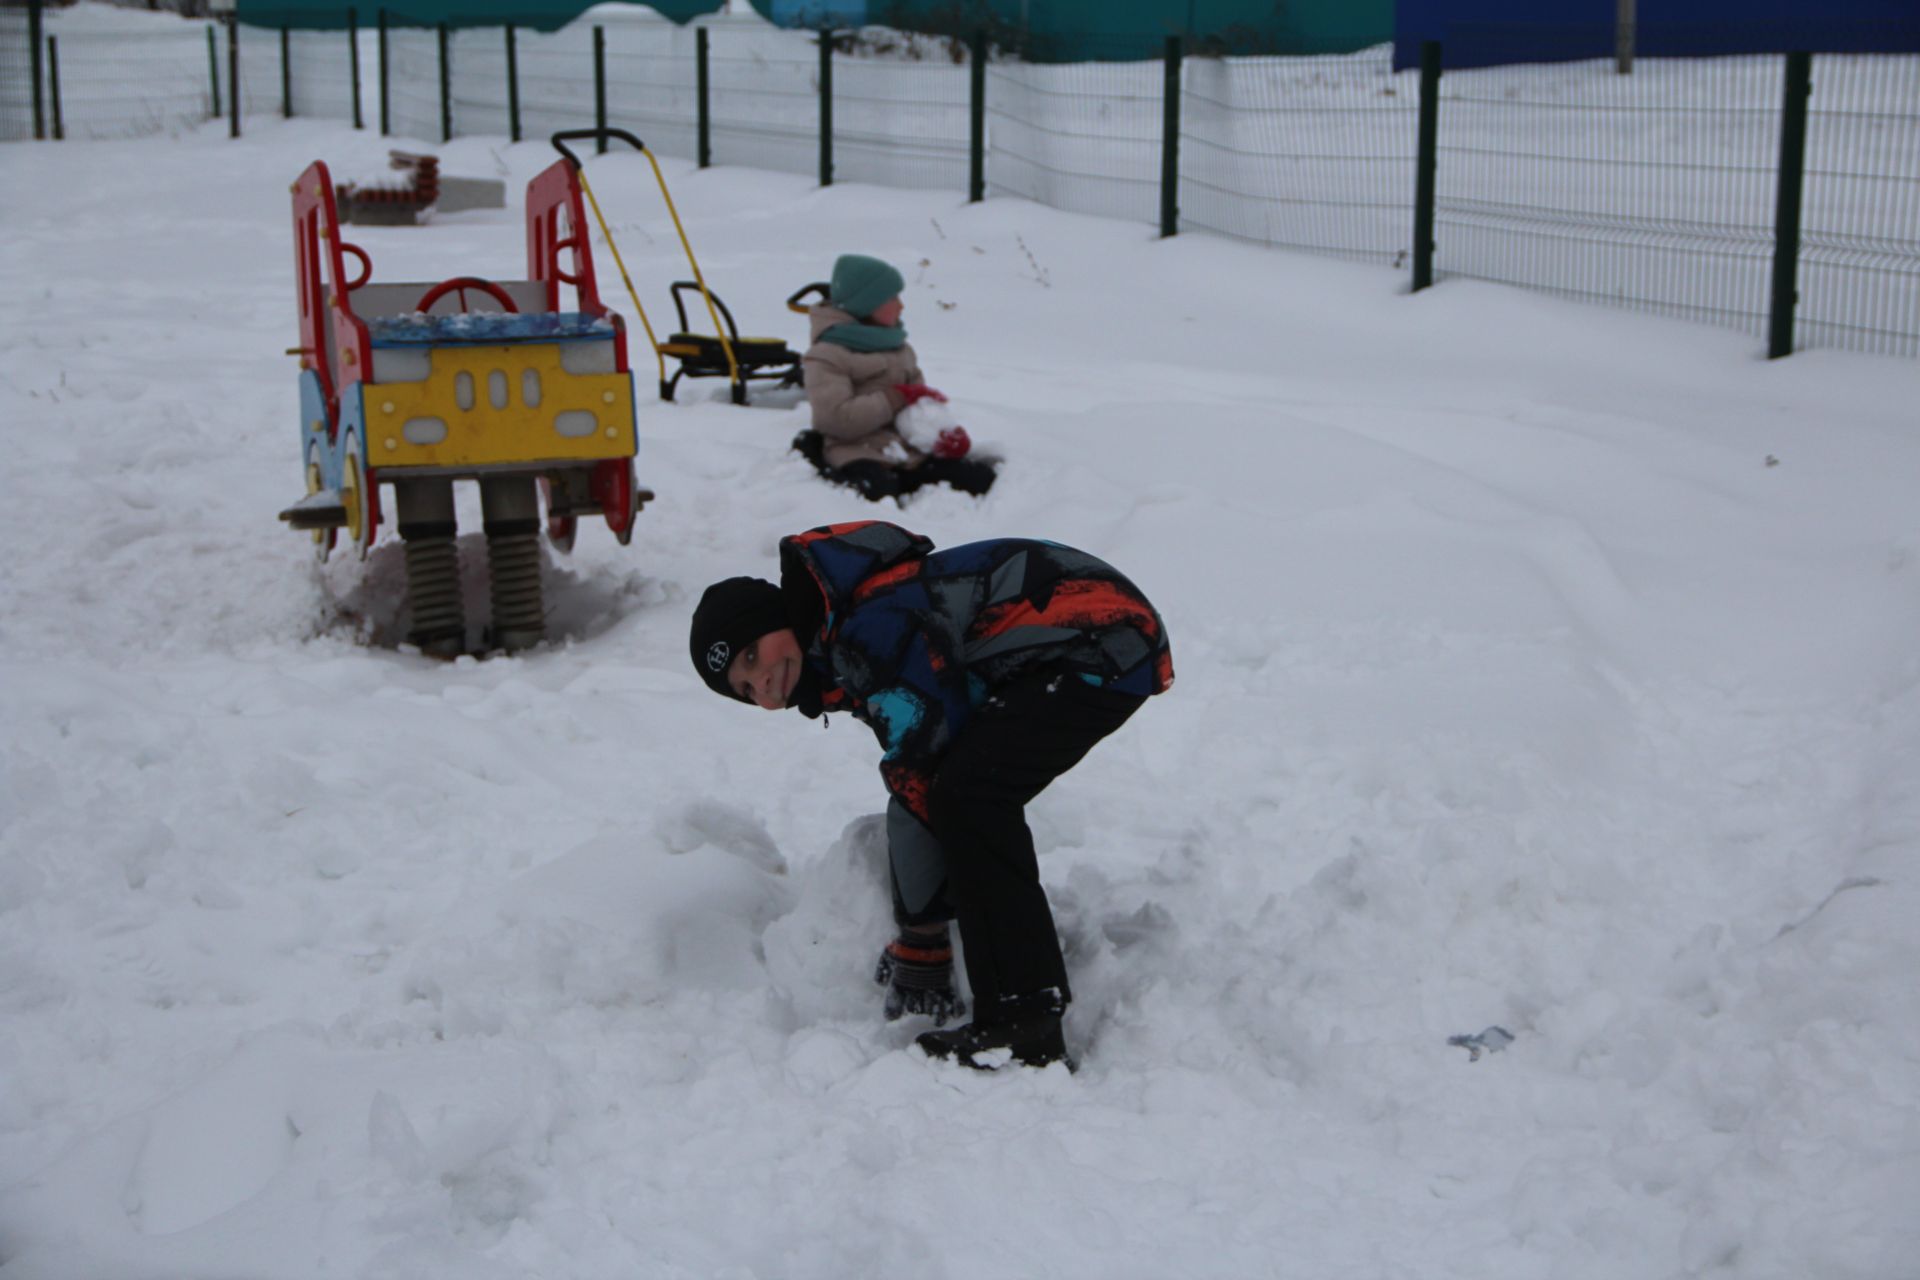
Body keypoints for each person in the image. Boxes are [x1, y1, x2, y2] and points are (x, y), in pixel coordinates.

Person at [688, 521, 1173, 1070]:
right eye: (746, 690)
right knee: (964, 793)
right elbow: (921, 760)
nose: (765, 687)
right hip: (1083, 646)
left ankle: (1024, 1018)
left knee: (969, 798)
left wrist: (921, 933)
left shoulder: (870, 626)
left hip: (1102, 639)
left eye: (753, 657)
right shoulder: (840, 636)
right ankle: (1019, 1003)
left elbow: (923, 760)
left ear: (781, 619)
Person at [795, 254, 997, 503]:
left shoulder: (899, 347)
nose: (901, 306)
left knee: (977, 478)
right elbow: (836, 420)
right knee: (878, 491)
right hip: (855, 451)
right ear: (867, 303)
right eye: (892, 298)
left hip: (905, 452)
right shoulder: (827, 355)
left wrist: (938, 432)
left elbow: (915, 407)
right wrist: (894, 398)